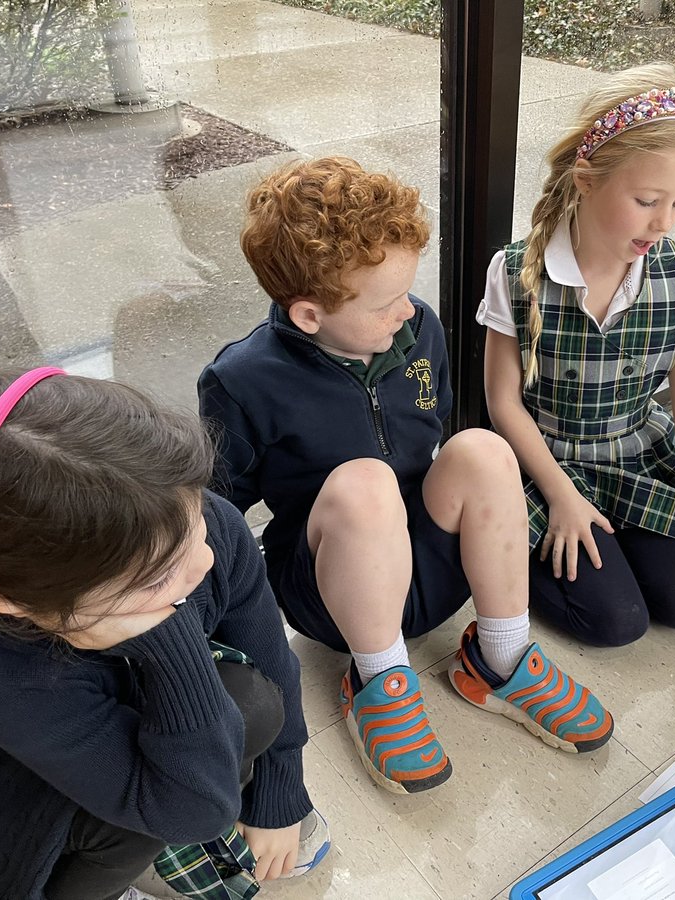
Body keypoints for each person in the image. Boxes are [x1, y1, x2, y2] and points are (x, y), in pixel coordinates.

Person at [198, 156, 613, 797]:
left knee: (481, 448)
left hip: (428, 564)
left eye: (406, 292)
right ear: (309, 315)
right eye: (385, 303)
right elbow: (216, 510)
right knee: (365, 483)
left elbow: (435, 431)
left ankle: (500, 656)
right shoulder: (241, 380)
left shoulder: (418, 327)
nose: (407, 313)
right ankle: (379, 678)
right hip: (331, 585)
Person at [0, 368, 328, 900]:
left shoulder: (187, 523)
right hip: (24, 812)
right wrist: (171, 639)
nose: (204, 560)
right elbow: (190, 814)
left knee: (254, 703)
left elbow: (272, 660)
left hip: (109, 738)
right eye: (157, 576)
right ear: (27, 606)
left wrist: (281, 789)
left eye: (195, 520)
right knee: (153, 812)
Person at [480, 64, 675, 649]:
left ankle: (619, 533)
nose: (663, 222)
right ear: (587, 178)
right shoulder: (516, 271)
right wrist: (562, 495)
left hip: (635, 455)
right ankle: (507, 550)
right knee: (615, 623)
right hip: (546, 462)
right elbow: (502, 404)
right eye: (648, 200)